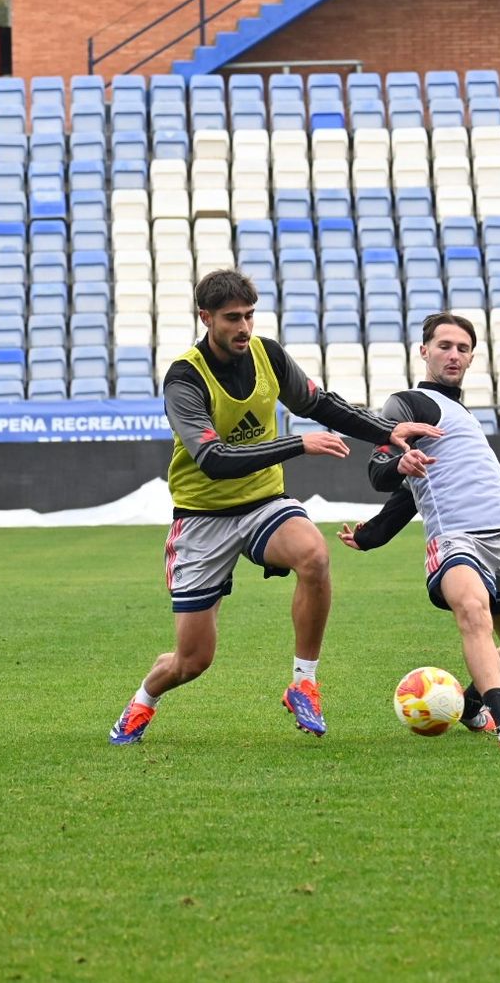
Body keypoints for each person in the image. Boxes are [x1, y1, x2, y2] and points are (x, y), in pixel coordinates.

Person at [109, 270, 440, 745]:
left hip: (265, 502)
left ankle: (304, 681)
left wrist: (386, 431)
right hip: (202, 518)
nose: (244, 328)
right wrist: (296, 445)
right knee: (192, 661)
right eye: (231, 319)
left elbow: (321, 404)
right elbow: (214, 459)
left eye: (249, 315)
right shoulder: (184, 378)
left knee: (315, 555)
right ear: (206, 318)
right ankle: (143, 700)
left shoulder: (267, 353)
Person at [336, 312, 500, 751]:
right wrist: (399, 462)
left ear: (471, 358)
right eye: (444, 345)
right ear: (424, 350)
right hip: (458, 536)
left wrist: (373, 533)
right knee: (472, 609)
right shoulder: (407, 403)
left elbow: (418, 487)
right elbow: (379, 472)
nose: (453, 354)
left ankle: (470, 705)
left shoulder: (461, 415)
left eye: (462, 348)